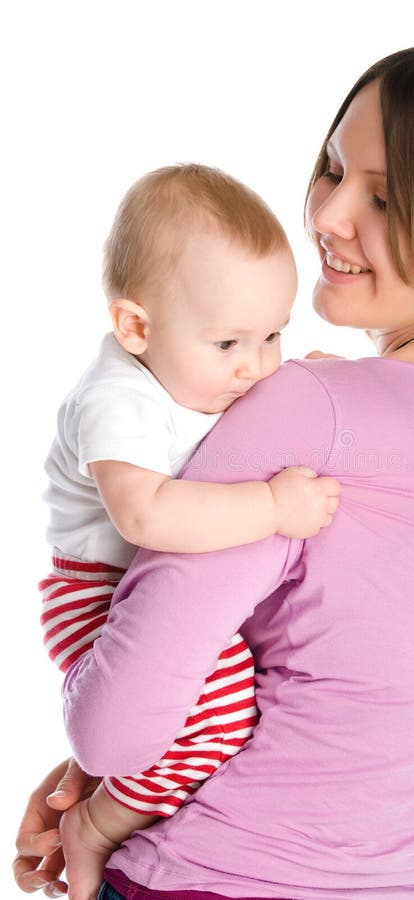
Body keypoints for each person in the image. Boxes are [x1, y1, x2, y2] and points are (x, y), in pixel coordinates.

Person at [14, 39, 414, 900]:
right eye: (332, 169)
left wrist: (95, 802)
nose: (326, 215)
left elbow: (115, 728)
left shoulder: (306, 409)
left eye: (385, 197)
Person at [36, 164, 341, 900]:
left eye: (273, 335)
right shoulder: (115, 400)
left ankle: (121, 798)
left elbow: (244, 405)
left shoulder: (188, 364)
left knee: (218, 700)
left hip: (141, 586)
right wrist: (271, 508)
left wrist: (312, 381)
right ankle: (103, 823)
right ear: (136, 327)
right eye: (231, 344)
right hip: (95, 594)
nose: (256, 366)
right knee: (225, 699)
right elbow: (148, 514)